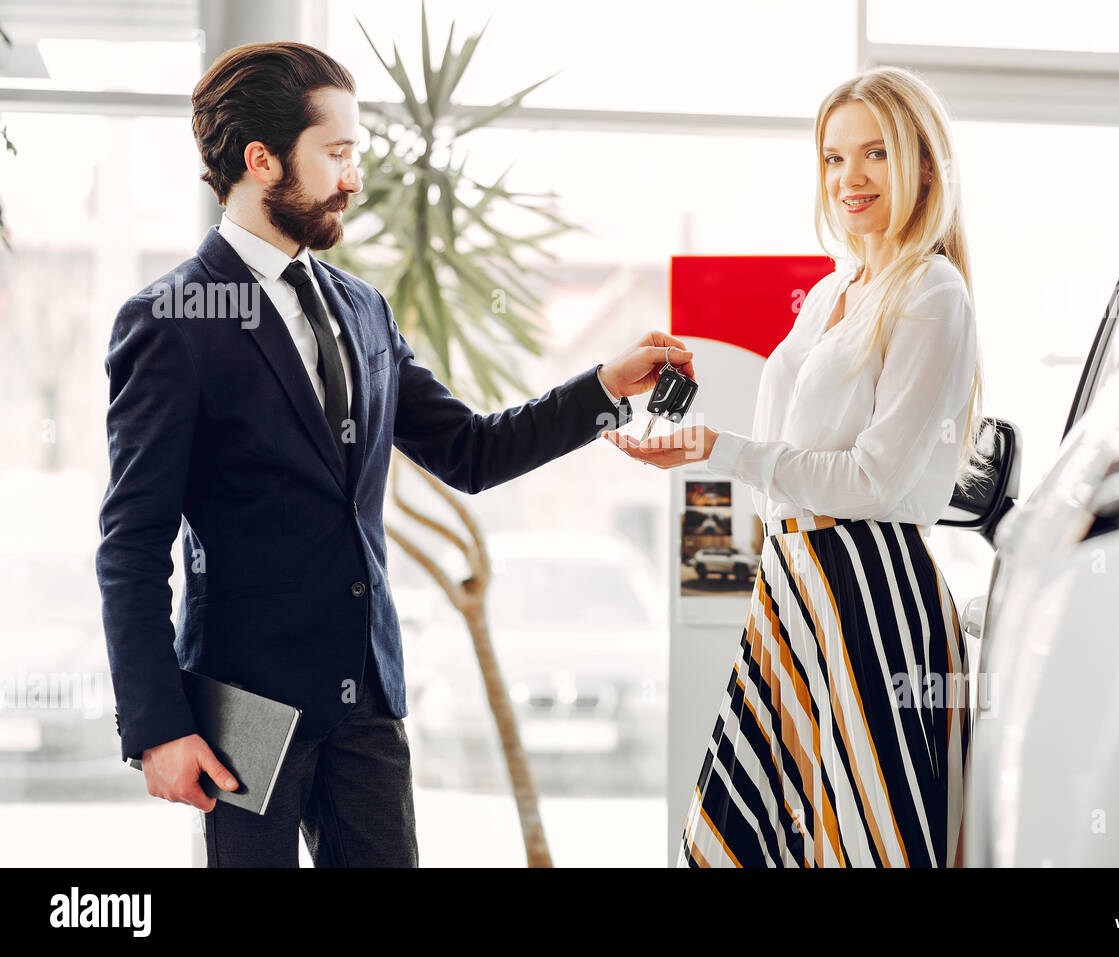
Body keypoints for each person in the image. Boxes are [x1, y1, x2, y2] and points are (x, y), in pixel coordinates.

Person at [95, 40, 694, 868]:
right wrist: (159, 727)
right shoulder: (170, 319)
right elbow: (130, 545)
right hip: (244, 711)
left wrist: (605, 386)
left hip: (365, 700)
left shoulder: (362, 309)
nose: (353, 178)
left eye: (356, 154)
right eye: (335, 154)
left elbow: (470, 450)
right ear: (260, 159)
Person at [605, 67, 986, 867]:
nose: (850, 178)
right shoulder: (836, 286)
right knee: (758, 838)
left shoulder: (932, 291)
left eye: (876, 153)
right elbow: (791, 446)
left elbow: (873, 481)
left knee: (862, 842)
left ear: (923, 163)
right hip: (795, 581)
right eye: (833, 157)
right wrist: (698, 438)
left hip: (869, 590)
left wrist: (723, 450)